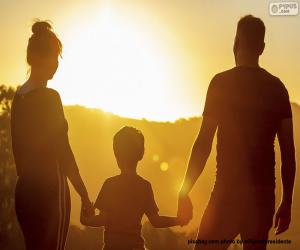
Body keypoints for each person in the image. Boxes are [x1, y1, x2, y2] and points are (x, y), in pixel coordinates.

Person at [177, 15, 296, 250]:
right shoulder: (278, 88)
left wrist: (184, 190)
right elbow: (288, 153)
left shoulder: (221, 83)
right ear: (262, 48)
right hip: (262, 198)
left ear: (236, 42)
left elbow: (203, 142)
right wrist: (287, 202)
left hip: (226, 195)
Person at [10, 21, 93, 250]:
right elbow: (63, 151)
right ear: (45, 59)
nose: (57, 65)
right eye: (55, 58)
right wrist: (84, 195)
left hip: (25, 191)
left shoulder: (19, 98)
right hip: (49, 191)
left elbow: (18, 150)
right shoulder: (50, 98)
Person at [80, 126, 192, 250]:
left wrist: (85, 219)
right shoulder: (145, 186)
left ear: (116, 154)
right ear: (141, 154)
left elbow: (103, 219)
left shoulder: (110, 184)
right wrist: (179, 220)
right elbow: (156, 221)